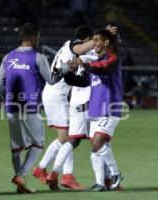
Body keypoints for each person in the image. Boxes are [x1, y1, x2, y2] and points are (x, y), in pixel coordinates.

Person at [0, 22, 59, 193]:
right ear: (32, 37)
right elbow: (51, 79)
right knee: (38, 144)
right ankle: (20, 174)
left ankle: (20, 183)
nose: (38, 40)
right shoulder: (38, 57)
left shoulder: (8, 56)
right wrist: (66, 69)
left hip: (11, 107)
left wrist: (7, 97)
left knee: (16, 148)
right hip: (30, 107)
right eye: (37, 37)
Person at [32, 26, 95, 191]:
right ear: (86, 38)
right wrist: (98, 39)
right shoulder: (72, 47)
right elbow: (80, 48)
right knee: (67, 137)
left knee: (66, 137)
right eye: (91, 41)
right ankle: (62, 175)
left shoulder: (67, 49)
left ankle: (47, 170)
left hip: (54, 94)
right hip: (56, 96)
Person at [70, 29, 123, 191]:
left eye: (96, 40)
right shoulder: (95, 61)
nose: (94, 43)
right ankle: (100, 182)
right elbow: (83, 81)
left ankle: (115, 174)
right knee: (95, 147)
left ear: (106, 42)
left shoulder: (112, 58)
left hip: (109, 107)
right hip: (95, 109)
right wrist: (65, 74)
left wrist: (84, 63)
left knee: (98, 141)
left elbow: (103, 70)